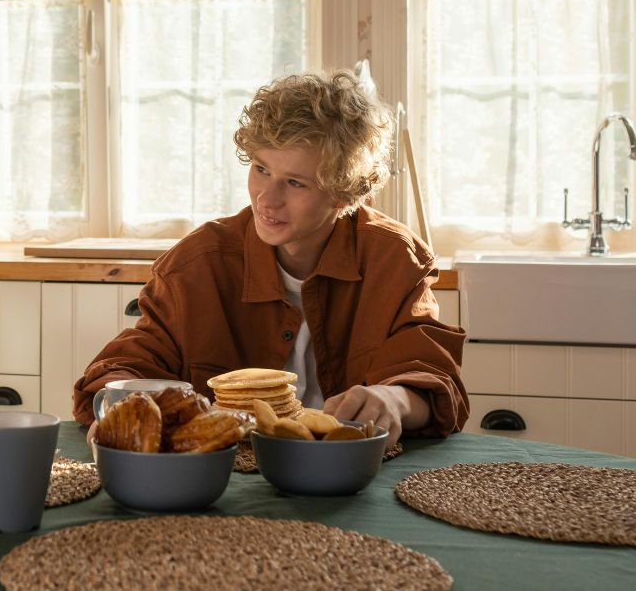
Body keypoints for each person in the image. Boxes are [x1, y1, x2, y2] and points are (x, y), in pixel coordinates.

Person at [73, 71, 468, 446]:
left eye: (295, 182)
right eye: (261, 169)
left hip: (353, 473)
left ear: (342, 194)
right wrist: (122, 407)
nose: (267, 199)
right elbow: (124, 367)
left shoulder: (393, 259)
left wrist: (396, 400)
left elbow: (434, 380)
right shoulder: (197, 264)